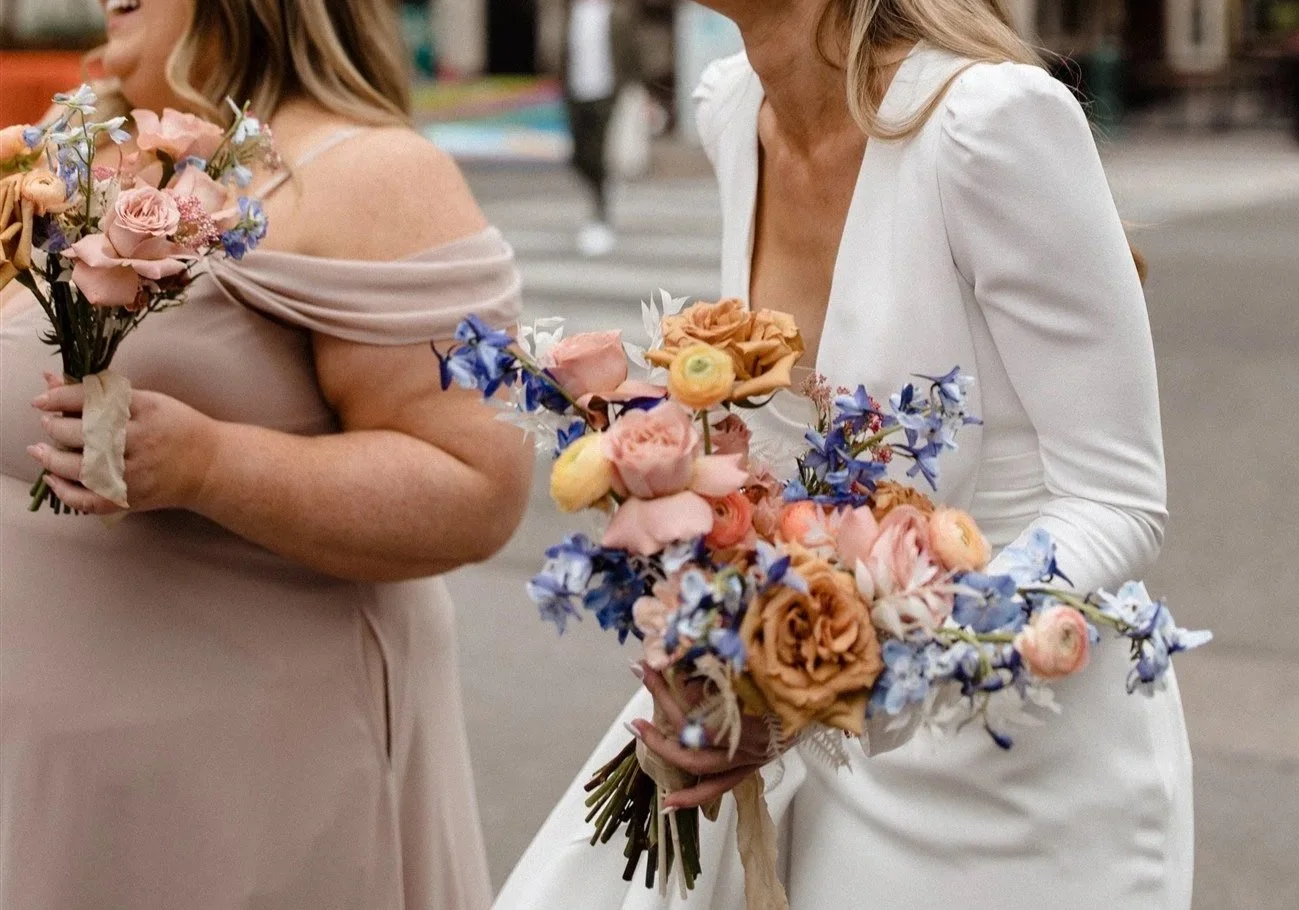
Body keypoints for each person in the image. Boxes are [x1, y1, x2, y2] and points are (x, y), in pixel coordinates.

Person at [496, 1, 1192, 908]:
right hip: (811, 747)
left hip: (1018, 778)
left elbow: (1117, 497)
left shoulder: (991, 125)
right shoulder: (731, 106)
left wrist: (846, 684)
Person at [0, 1, 532, 907]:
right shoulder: (75, 158)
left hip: (250, 800)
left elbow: (476, 486)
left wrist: (207, 465)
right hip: (59, 792)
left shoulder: (367, 173)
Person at [562, 0, 642, 258]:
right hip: (577, 93)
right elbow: (564, 53)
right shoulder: (573, 12)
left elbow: (631, 53)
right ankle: (603, 186)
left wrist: (636, 90)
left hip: (607, 93)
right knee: (578, 156)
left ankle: (601, 212)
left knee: (599, 153)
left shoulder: (616, 13)